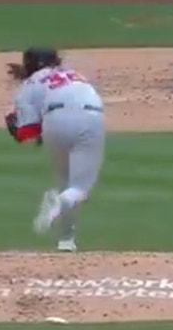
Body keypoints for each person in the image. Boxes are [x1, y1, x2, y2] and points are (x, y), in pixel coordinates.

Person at [7, 48, 107, 254]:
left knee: (67, 183)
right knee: (79, 188)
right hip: (89, 118)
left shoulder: (29, 85)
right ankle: (60, 209)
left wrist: (14, 129)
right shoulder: (75, 75)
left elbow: (28, 134)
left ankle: (66, 241)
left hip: (55, 123)